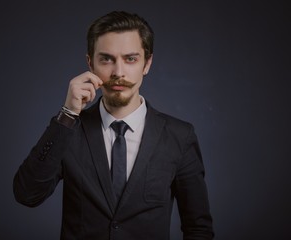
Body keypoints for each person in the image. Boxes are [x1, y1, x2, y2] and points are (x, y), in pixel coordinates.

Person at [13, 11, 214, 240]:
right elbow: (27, 194)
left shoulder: (180, 136)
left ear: (147, 63)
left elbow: (199, 229)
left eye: (130, 59)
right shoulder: (69, 130)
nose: (118, 73)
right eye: (107, 59)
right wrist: (67, 114)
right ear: (91, 63)